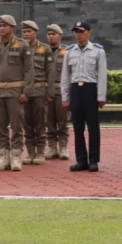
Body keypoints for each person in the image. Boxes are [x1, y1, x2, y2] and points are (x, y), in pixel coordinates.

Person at [0, 15, 32, 172]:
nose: (1, 28)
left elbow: (28, 70)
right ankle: (3, 156)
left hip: (15, 90)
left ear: (12, 27)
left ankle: (16, 155)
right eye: (0, 26)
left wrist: (26, 91)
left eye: (5, 26)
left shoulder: (22, 45)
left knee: (17, 124)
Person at [60, 21, 107, 172]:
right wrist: (65, 97)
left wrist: (101, 96)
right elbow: (65, 75)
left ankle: (93, 160)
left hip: (90, 89)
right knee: (77, 127)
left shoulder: (98, 51)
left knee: (93, 127)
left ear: (89, 32)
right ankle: (81, 160)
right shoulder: (70, 51)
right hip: (76, 90)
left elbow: (102, 75)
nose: (78, 35)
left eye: (81, 31)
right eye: (76, 32)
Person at [20, 20, 53, 165]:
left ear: (35, 33)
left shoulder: (45, 49)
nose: (26, 34)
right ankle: (30, 152)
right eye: (24, 32)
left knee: (39, 122)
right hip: (24, 92)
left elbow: (50, 72)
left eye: (29, 31)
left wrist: (49, 92)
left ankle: (40, 152)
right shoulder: (19, 48)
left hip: (39, 90)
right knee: (26, 123)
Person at [44, 25, 70, 160]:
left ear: (60, 35)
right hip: (47, 91)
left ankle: (63, 147)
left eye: (53, 34)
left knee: (63, 121)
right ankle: (52, 147)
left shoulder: (67, 51)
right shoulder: (43, 51)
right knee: (49, 121)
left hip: (61, 91)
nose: (50, 36)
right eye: (49, 34)